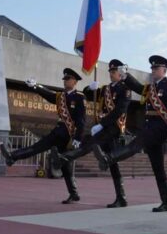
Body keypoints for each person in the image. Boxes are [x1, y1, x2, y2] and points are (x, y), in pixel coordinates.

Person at [93, 55, 167, 212]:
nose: (153, 70)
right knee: (158, 168)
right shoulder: (150, 88)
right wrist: (126, 75)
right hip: (150, 126)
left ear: (164, 70)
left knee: (135, 144)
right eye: (152, 68)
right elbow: (138, 88)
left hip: (160, 128)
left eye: (156, 68)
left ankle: (108, 158)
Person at [52, 59, 131, 208]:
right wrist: (90, 87)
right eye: (110, 72)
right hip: (103, 127)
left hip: (113, 128)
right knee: (111, 163)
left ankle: (64, 158)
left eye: (114, 72)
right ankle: (121, 198)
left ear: (120, 74)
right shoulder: (105, 88)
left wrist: (102, 124)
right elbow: (88, 94)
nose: (111, 75)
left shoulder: (125, 89)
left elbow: (120, 110)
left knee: (92, 146)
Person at [0, 68, 86, 204]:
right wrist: (35, 86)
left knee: (53, 157)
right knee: (48, 154)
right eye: (64, 79)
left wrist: (77, 139)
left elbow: (81, 120)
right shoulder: (60, 97)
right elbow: (48, 95)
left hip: (68, 135)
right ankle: (12, 156)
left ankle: (13, 156)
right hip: (58, 132)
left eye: (68, 79)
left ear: (74, 81)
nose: (65, 82)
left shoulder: (79, 97)